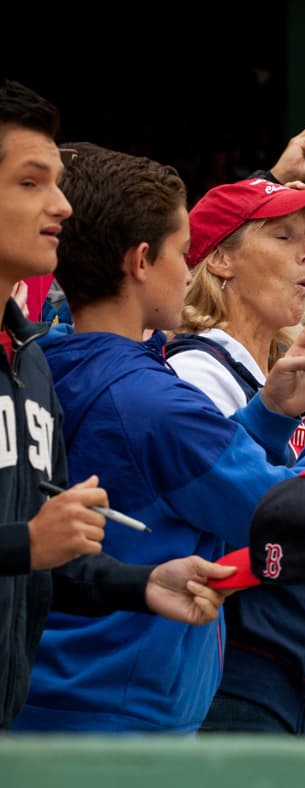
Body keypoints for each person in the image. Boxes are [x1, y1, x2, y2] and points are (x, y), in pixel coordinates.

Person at [105, 175, 305, 735]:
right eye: (283, 236)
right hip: (243, 678)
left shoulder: (275, 379)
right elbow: (286, 522)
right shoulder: (193, 374)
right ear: (221, 260)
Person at [0, 82, 231, 730]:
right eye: (30, 182)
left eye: (58, 183)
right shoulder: (133, 390)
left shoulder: (31, 360)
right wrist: (25, 544)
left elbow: (49, 559)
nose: (60, 206)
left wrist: (142, 584)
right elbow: (30, 545)